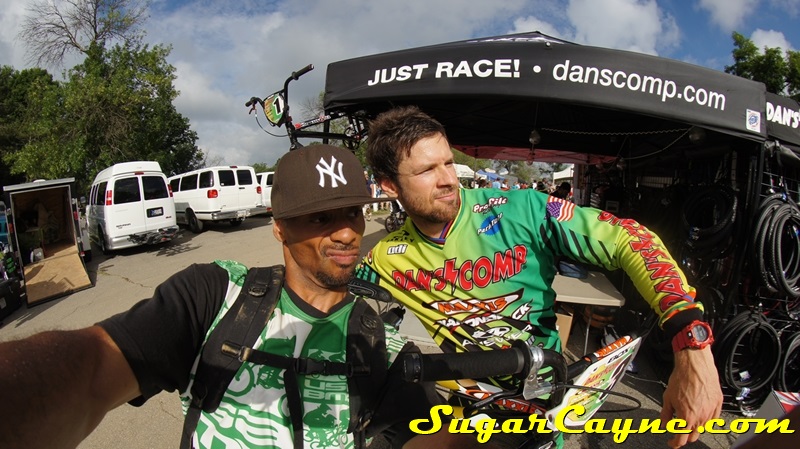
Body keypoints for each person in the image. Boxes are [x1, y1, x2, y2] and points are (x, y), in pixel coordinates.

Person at [0, 145, 466, 449]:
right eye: (320, 218)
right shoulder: (218, 294)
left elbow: (418, 436)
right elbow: (92, 369)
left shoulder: (374, 335)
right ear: (279, 228)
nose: (347, 232)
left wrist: (491, 430)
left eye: (352, 213)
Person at [356, 105, 723, 449]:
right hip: (472, 406)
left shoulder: (522, 210)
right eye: (426, 171)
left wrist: (691, 342)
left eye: (449, 163)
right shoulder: (387, 257)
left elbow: (631, 239)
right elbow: (330, 290)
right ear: (389, 186)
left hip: (545, 404)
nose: (448, 180)